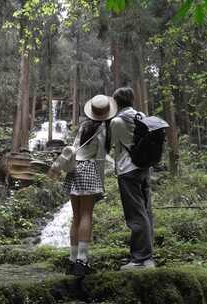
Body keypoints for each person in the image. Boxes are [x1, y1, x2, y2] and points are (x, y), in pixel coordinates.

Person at [53, 95, 116, 276]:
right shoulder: (103, 128)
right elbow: (100, 158)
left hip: (74, 169)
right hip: (89, 168)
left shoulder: (84, 126)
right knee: (87, 214)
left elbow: (74, 148)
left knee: (76, 216)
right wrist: (100, 183)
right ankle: (82, 261)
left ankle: (72, 260)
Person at [109, 87, 155, 269]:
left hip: (127, 170)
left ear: (117, 102)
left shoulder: (117, 121)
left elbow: (112, 144)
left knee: (135, 214)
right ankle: (148, 257)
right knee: (146, 211)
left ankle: (139, 259)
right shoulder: (141, 116)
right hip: (144, 168)